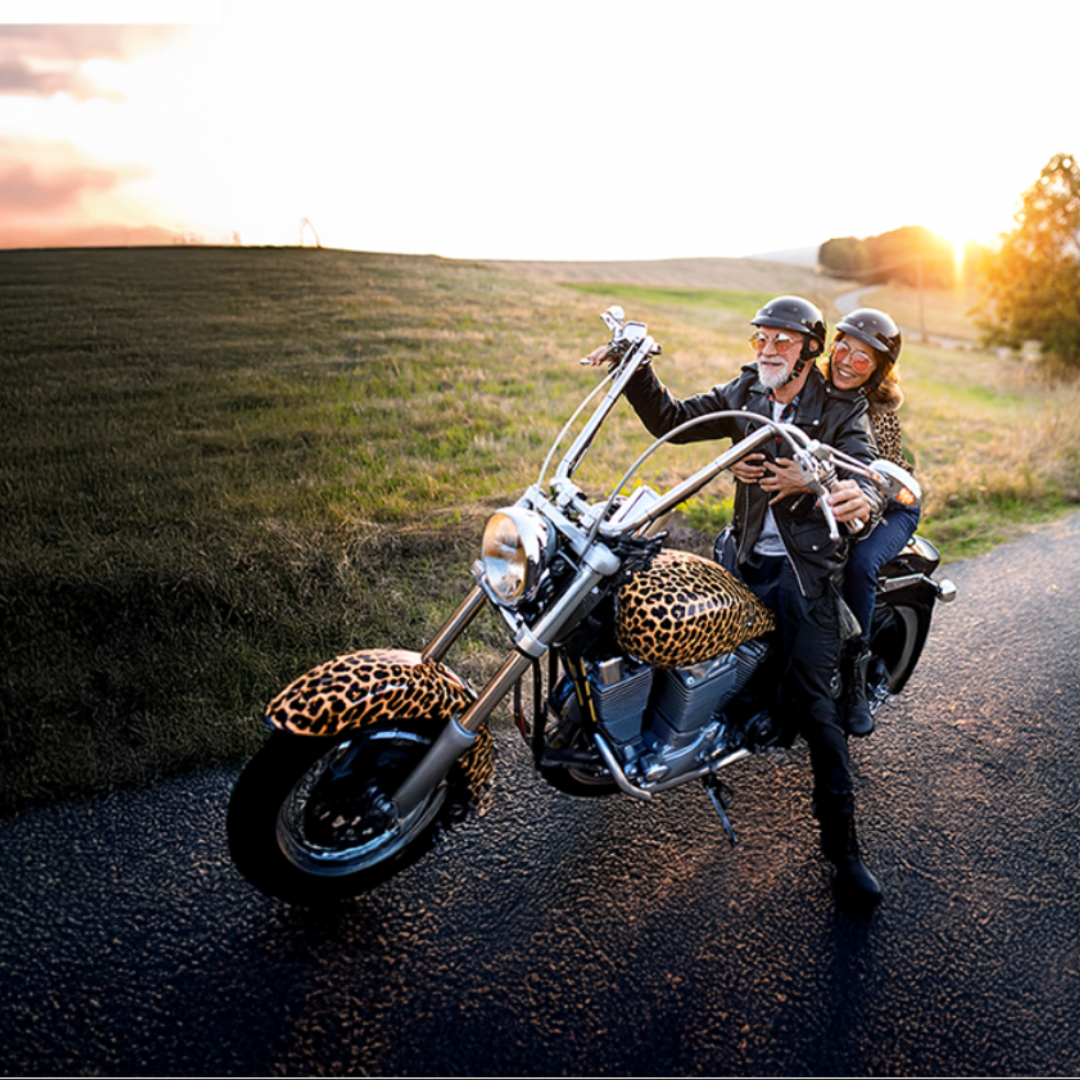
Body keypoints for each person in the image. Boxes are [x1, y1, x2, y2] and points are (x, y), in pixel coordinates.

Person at [589, 295, 887, 909]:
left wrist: (834, 485)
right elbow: (670, 419)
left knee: (819, 712)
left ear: (810, 349)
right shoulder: (747, 391)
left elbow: (864, 473)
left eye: (782, 340)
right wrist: (636, 366)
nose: (767, 349)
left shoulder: (840, 407)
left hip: (804, 573)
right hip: (745, 559)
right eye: (760, 338)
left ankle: (845, 853)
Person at [731, 308, 918, 737]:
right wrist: (736, 459)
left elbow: (875, 482)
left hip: (891, 505)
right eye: (843, 348)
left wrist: (813, 482)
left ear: (878, 369)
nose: (847, 362)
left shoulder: (876, 413)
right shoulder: (808, 384)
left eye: (863, 358)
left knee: (858, 564)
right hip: (833, 500)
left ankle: (854, 677)